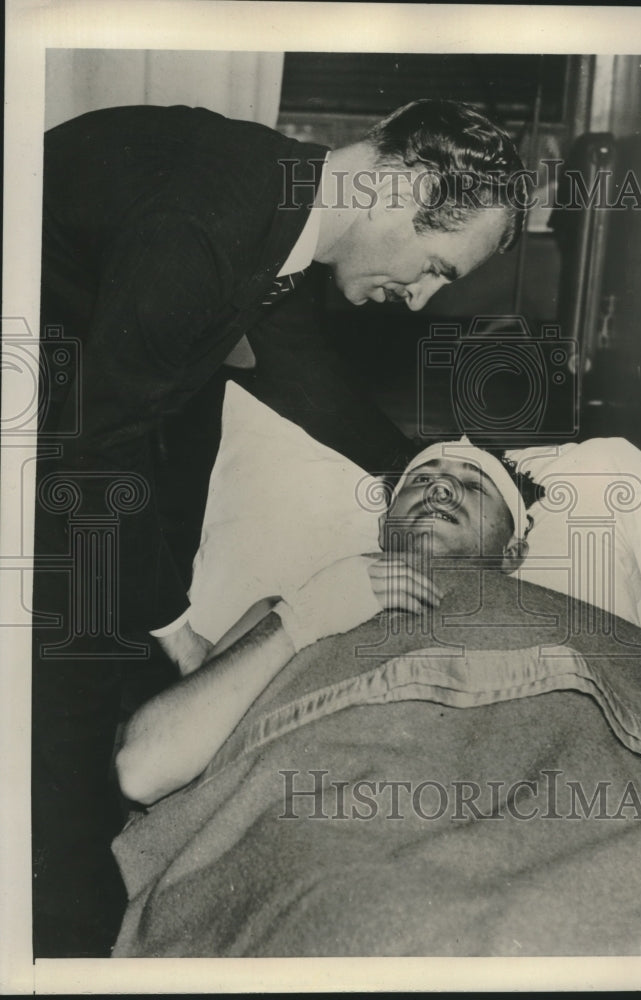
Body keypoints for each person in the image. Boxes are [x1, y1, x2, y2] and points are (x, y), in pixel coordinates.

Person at [32, 98, 526, 956]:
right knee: (66, 841)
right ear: (397, 185)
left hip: (73, 420)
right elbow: (96, 470)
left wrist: (419, 465)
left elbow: (301, 370)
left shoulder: (285, 205)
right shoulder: (202, 231)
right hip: (63, 452)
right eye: (436, 267)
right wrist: (172, 630)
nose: (416, 303)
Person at [115, 439, 532, 807]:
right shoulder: (288, 613)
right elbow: (144, 768)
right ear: (385, 527)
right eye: (421, 481)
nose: (442, 489)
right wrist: (304, 617)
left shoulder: (553, 629)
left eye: (475, 485)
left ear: (514, 553)